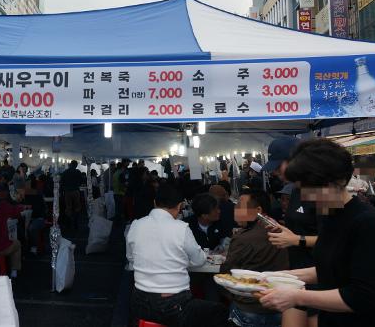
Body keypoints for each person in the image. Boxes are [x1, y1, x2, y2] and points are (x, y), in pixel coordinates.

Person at [259, 139, 375, 326]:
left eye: (311, 189)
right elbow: (331, 267)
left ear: (336, 181)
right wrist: (282, 277)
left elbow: (361, 296)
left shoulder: (368, 222)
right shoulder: (329, 216)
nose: (306, 198)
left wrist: (297, 296)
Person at [126, 183, 227, 326]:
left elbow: (131, 259)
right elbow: (198, 260)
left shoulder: (136, 225)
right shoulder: (181, 228)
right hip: (173, 305)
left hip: (139, 302)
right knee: (220, 311)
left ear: (155, 203)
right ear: (179, 206)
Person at [262, 136, 319, 327]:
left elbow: (337, 240)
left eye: (279, 166)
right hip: (296, 277)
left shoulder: (323, 192)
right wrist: (283, 230)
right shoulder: (294, 191)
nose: (276, 172)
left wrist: (295, 239)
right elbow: (300, 228)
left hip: (321, 278)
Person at [221, 190, 289, 327]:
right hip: (278, 304)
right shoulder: (283, 231)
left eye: (240, 206)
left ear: (258, 210)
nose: (236, 210)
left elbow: (226, 272)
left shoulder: (244, 238)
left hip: (249, 307)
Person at [0, 191, 24, 278]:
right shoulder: (4, 206)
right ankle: (14, 271)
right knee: (17, 244)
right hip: (1, 248)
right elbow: (17, 213)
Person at [61, 160, 83, 228]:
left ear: (70, 164)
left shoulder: (65, 172)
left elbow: (62, 182)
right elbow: (81, 181)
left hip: (67, 191)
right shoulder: (78, 172)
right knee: (77, 206)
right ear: (76, 165)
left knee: (68, 207)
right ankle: (76, 222)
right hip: (75, 190)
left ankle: (69, 222)